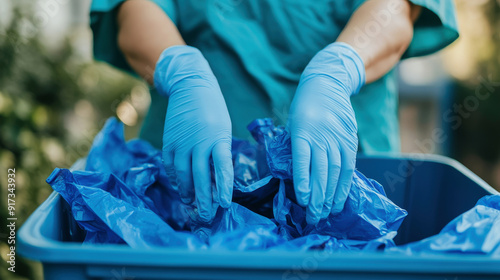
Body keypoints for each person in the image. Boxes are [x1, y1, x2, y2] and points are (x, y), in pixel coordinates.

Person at [89, 0, 458, 224]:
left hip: (344, 169)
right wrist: (180, 70)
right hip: (186, 176)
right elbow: (134, 9)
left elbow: (395, 9)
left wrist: (341, 66)